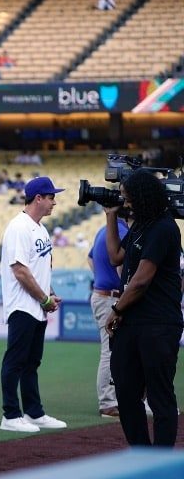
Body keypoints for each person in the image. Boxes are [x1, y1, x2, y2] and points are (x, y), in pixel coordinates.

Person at [104, 170, 183, 447]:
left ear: (142, 197)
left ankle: (160, 466)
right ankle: (141, 455)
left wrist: (116, 309)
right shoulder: (141, 225)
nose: (125, 202)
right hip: (133, 322)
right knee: (126, 393)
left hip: (158, 323)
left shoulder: (164, 227)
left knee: (160, 396)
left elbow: (141, 280)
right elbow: (115, 255)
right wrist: (110, 216)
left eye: (128, 198)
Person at [0, 176, 67, 433]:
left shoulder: (40, 228)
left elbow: (39, 268)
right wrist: (44, 299)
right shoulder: (19, 227)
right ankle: (10, 415)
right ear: (38, 198)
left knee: (31, 362)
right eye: (51, 197)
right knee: (15, 361)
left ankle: (34, 412)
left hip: (36, 305)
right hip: (21, 305)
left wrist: (49, 292)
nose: (54, 202)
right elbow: (20, 271)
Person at [87, 209, 130, 419]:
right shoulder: (122, 231)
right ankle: (108, 403)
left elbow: (90, 258)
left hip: (101, 294)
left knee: (113, 349)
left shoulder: (104, 230)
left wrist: (101, 278)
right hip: (110, 298)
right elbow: (123, 268)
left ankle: (113, 399)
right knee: (110, 350)